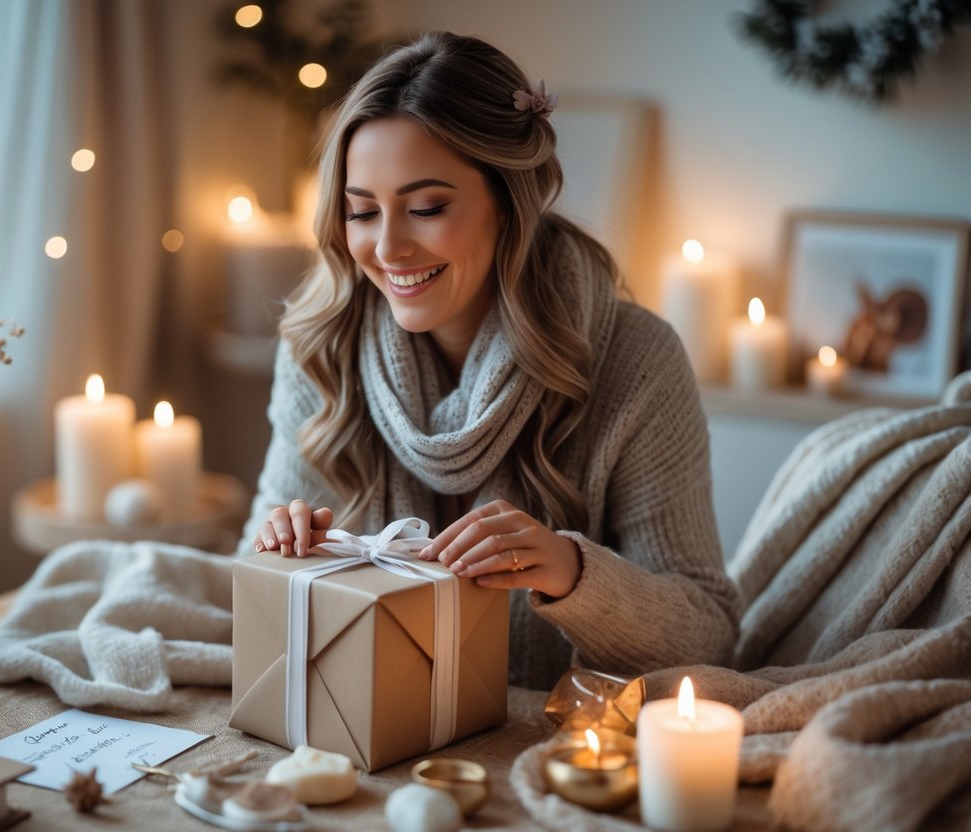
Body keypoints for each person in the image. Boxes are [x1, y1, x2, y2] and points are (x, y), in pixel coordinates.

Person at [241, 30, 740, 691]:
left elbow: (706, 631)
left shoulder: (636, 361)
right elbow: (248, 599)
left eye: (426, 208)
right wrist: (280, 553)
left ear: (509, 204)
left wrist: (570, 573)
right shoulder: (320, 345)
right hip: (366, 724)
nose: (388, 247)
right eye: (361, 212)